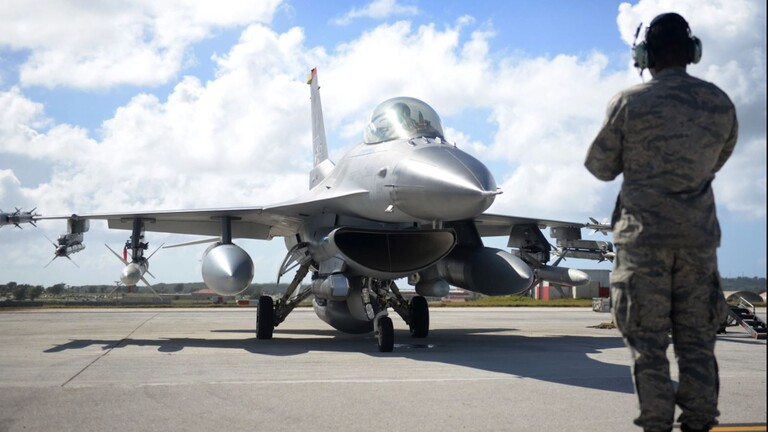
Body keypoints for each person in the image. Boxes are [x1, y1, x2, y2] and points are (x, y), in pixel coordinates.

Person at [584, 12, 738, 432]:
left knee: (648, 346)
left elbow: (599, 167)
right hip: (697, 242)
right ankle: (699, 423)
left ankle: (656, 424)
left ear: (645, 56)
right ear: (692, 52)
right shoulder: (719, 102)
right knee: (698, 343)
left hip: (643, 244)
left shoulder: (628, 103)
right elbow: (718, 159)